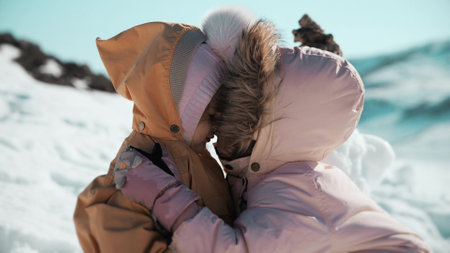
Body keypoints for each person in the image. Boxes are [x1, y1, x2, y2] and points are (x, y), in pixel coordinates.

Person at [112, 8, 430, 252]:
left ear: (266, 125)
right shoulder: (268, 173)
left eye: (235, 108)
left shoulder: (297, 196)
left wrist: (163, 193)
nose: (220, 120)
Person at [73, 19, 250, 252]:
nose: (217, 127)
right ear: (179, 115)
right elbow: (119, 236)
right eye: (210, 116)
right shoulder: (140, 166)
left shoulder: (199, 158)